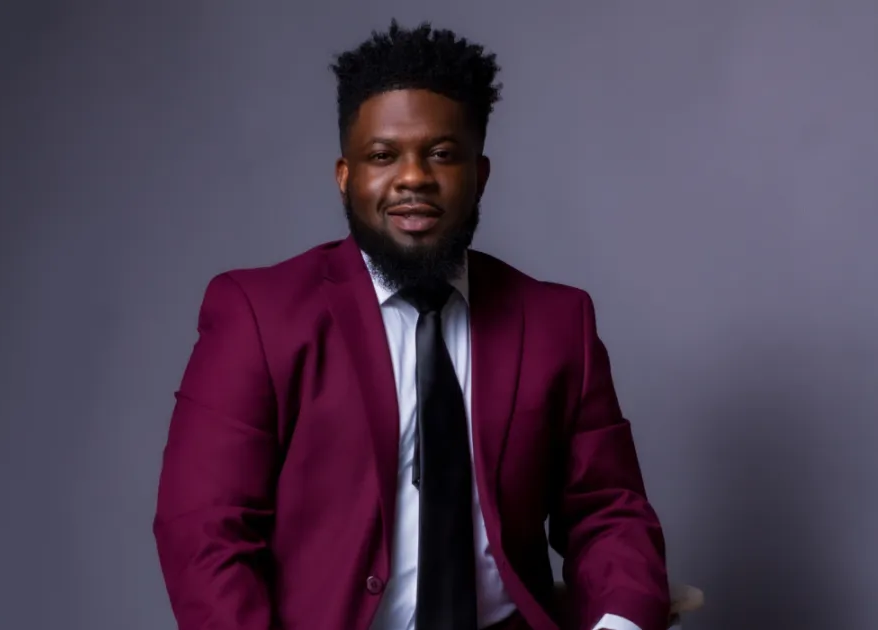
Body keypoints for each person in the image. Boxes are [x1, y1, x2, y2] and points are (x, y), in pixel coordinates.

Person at [153, 19, 670, 630]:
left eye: (442, 154)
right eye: (382, 156)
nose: (413, 178)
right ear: (346, 177)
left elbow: (608, 512)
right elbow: (204, 531)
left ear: (479, 176)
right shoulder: (258, 315)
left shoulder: (558, 322)